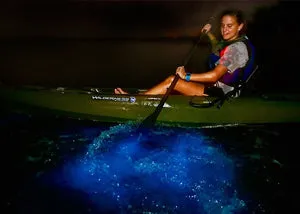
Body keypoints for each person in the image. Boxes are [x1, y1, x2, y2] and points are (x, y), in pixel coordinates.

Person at [115, 9, 254, 97]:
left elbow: (214, 76)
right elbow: (218, 47)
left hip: (223, 93)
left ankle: (133, 100)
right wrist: (209, 34)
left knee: (172, 82)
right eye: (223, 26)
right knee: (173, 86)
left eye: (230, 26)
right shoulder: (236, 42)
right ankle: (146, 95)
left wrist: (186, 76)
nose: (225, 30)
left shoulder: (236, 49)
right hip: (217, 88)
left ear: (240, 26)